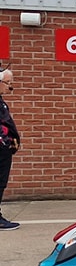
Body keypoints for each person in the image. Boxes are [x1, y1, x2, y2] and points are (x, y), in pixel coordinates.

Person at [0, 69, 21, 230]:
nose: (10, 87)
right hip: (1, 149)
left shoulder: (2, 102)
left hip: (5, 149)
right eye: (8, 83)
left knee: (2, 183)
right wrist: (5, 141)